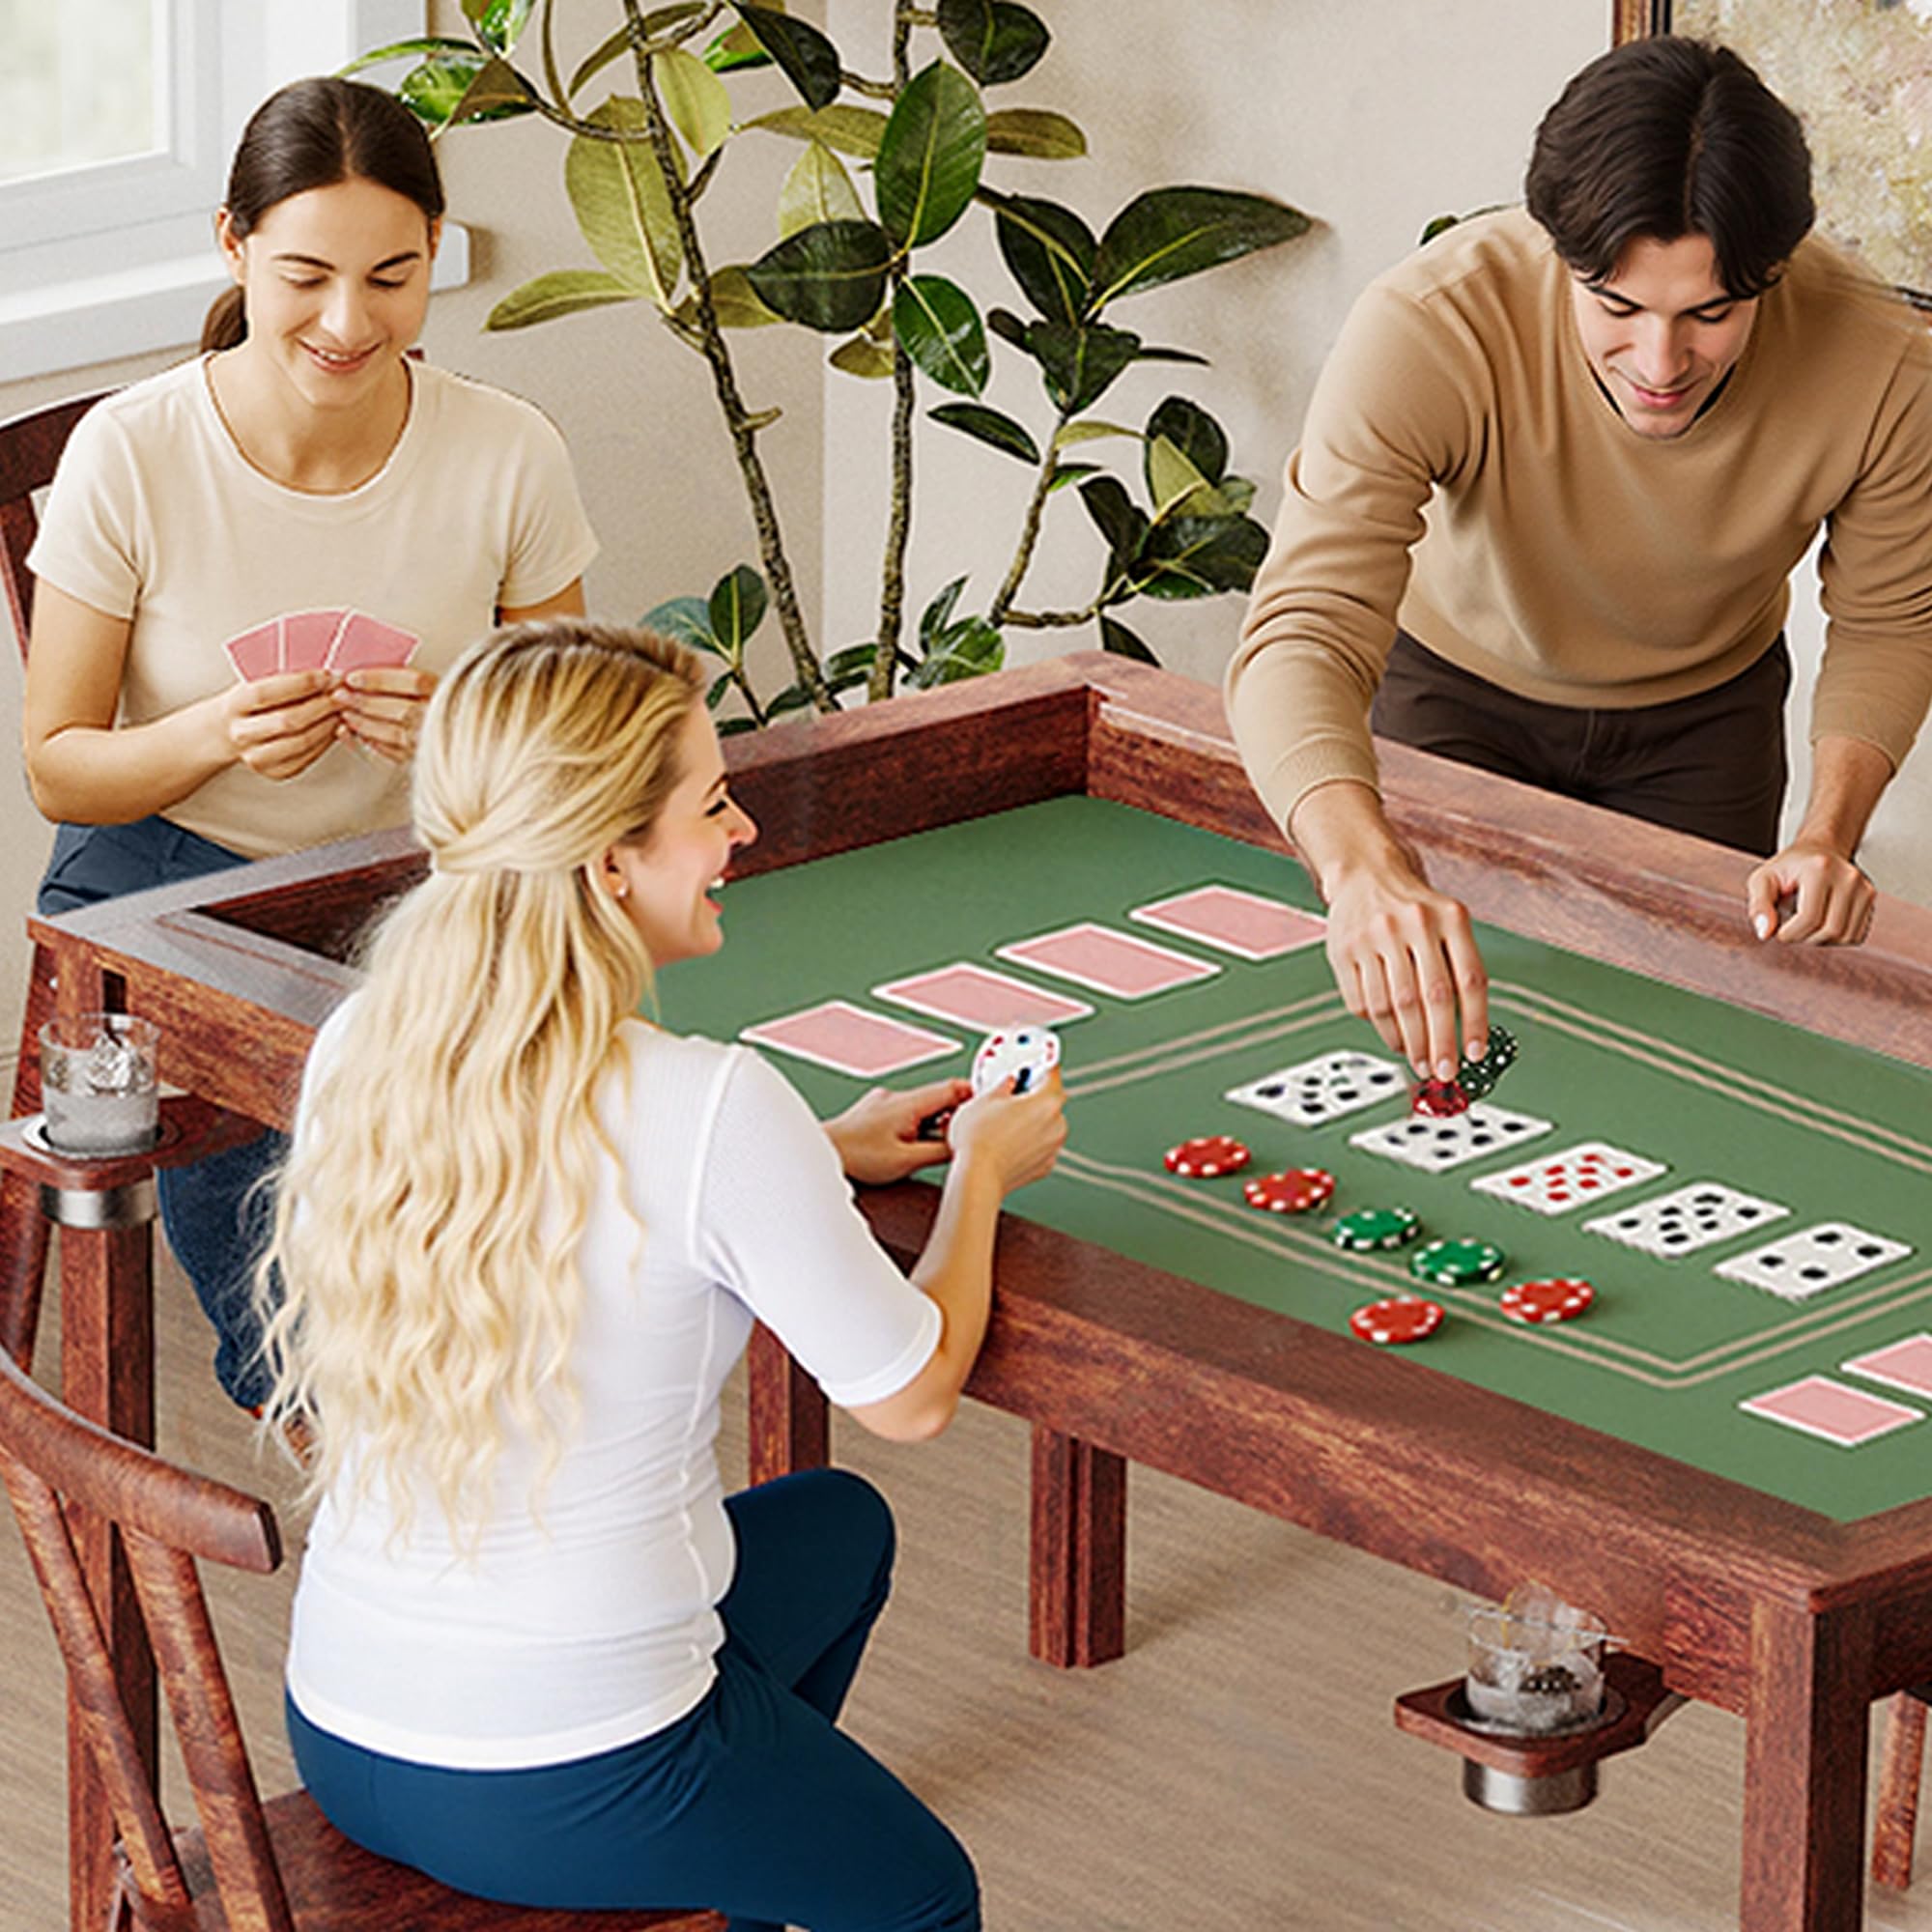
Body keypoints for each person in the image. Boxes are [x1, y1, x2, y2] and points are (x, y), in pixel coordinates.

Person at [257, 620, 1064, 1932]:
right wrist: (980, 1172)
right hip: (569, 1771)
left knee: (837, 1528)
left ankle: (738, 1879)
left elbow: (582, 1185)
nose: (741, 832)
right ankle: (723, 1855)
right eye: (712, 805)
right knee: (923, 1896)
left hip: (346, 1730)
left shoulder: (369, 1044)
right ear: (609, 864)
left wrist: (816, 1152)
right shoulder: (711, 1105)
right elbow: (910, 1395)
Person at [21, 76, 596, 1408]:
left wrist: (462, 726)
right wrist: (209, 736)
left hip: (415, 874)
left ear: (436, 250)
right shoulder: (133, 453)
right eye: (305, 277)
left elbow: (568, 739)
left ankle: (473, 1412)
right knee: (306, 1308)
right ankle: (348, 1427)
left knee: (517, 1209)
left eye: (392, 277)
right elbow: (60, 763)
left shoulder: (507, 451)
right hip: (174, 877)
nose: (349, 322)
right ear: (233, 246)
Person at [1227, 36, 1932, 1086]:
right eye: (1616, 306)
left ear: (1771, 275)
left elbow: (1888, 623)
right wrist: (1358, 869)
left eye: (1710, 314)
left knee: (1675, 1058)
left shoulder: (1886, 365)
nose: (1660, 363)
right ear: (1560, 255)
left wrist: (1828, 835)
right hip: (1453, 689)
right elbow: (1303, 626)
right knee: (1428, 1038)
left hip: (1706, 722)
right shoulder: (1428, 323)